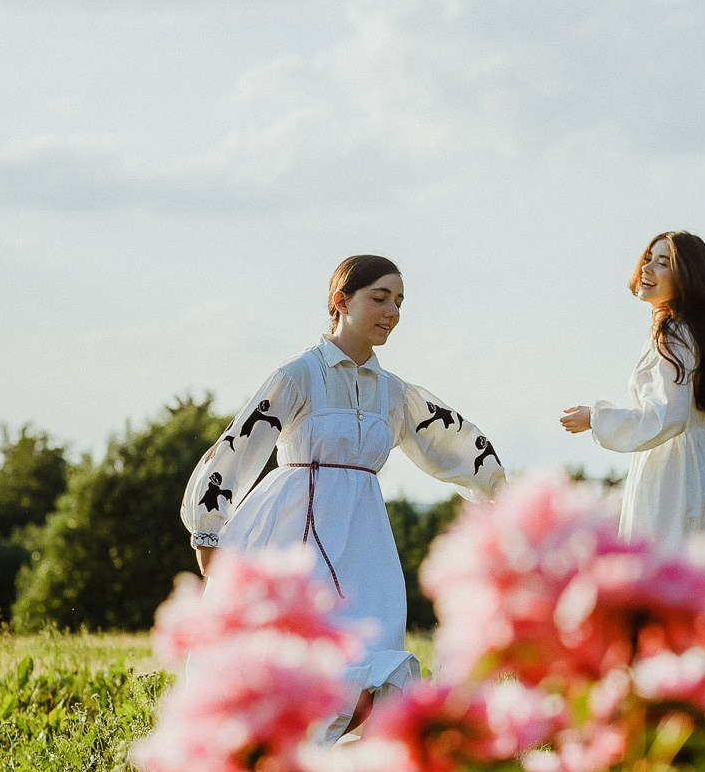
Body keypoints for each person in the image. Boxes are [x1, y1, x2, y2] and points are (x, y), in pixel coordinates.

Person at [182, 254, 506, 742]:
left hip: (364, 542)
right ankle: (277, 755)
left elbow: (451, 442)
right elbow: (241, 443)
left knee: (371, 662)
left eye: (399, 302)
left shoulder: (393, 393)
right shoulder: (300, 375)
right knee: (298, 658)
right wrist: (207, 530)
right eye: (380, 298)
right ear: (341, 301)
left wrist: (502, 495)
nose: (392, 312)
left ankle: (342, 766)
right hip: (295, 532)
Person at [560, 231, 705, 554]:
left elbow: (668, 416)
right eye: (648, 258)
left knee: (668, 570)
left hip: (673, 475)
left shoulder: (672, 334)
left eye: (663, 262)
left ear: (688, 277)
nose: (647, 268)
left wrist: (597, 419)